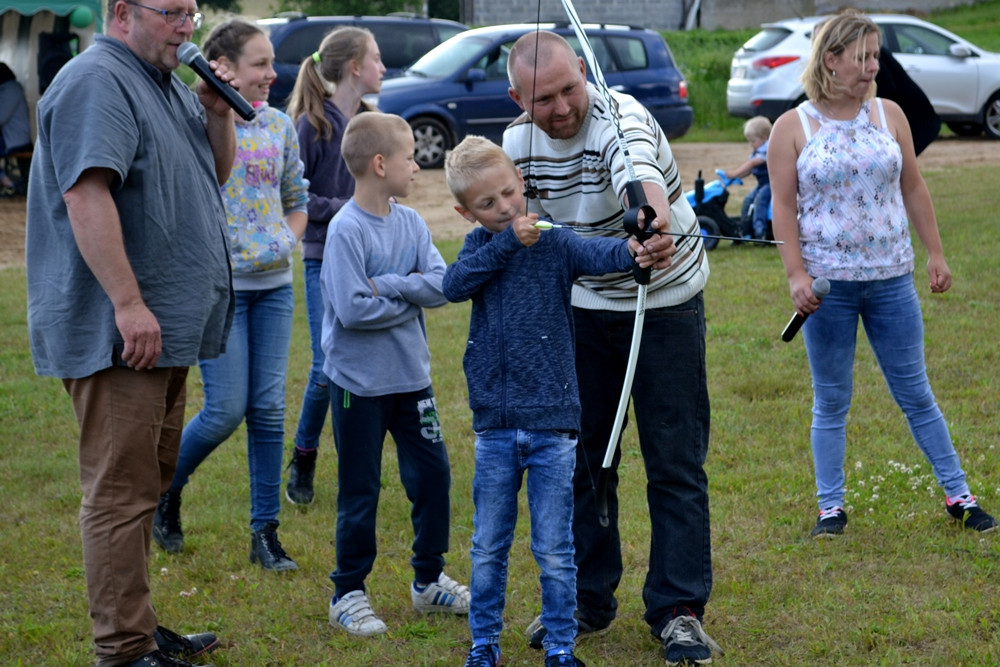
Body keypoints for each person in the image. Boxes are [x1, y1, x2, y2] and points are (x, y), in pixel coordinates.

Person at [24, 0, 237, 664]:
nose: (186, 27)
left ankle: (138, 628)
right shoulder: (98, 79)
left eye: (192, 13)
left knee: (145, 482)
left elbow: (212, 178)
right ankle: (123, 649)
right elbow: (86, 195)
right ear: (122, 12)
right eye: (172, 11)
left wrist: (218, 112)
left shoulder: (165, 83)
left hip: (165, 329)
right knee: (120, 491)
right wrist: (128, 303)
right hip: (121, 333)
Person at [503, 31, 723, 666]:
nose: (563, 107)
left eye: (571, 89)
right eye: (544, 99)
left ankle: (679, 611)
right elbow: (513, 226)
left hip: (665, 303)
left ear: (585, 76)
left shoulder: (623, 120)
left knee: (675, 457)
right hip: (583, 309)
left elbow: (643, 186)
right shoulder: (517, 145)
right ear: (517, 97)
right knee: (583, 462)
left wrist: (649, 227)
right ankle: (584, 602)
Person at [767, 10, 998, 539]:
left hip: (893, 279)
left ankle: (959, 496)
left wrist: (935, 254)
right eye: (862, 57)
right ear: (831, 59)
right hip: (828, 289)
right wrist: (795, 275)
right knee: (831, 398)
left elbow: (913, 187)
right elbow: (782, 207)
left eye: (876, 56)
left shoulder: (889, 114)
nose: (873, 67)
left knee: (916, 393)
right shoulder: (792, 127)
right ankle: (831, 508)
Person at [443, 136, 647, 667]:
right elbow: (454, 284)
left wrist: (634, 247)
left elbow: (597, 253)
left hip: (554, 426)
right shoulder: (479, 249)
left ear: (521, 182)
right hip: (497, 426)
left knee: (554, 549)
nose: (506, 208)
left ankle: (560, 646)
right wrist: (509, 241)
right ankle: (482, 645)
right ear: (466, 211)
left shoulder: (554, 242)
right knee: (488, 546)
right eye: (488, 204)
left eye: (510, 192)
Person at [152, 19, 309, 571]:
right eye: (260, 64)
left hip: (274, 288)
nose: (272, 74)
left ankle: (265, 534)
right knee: (223, 411)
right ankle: (165, 494)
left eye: (271, 64)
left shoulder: (278, 126)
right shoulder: (194, 119)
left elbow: (297, 198)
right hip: (221, 288)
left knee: (268, 411)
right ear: (224, 68)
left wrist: (283, 238)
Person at [322, 111, 469, 636]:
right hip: (358, 388)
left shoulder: (410, 222)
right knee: (360, 489)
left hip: (412, 380)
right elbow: (353, 310)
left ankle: (428, 581)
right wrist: (408, 291)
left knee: (433, 478)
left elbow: (442, 284)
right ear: (380, 164)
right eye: (410, 157)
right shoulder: (345, 230)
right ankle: (348, 593)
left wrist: (390, 285)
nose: (418, 166)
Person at [282, 27, 386, 505]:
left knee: (362, 363)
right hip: (324, 256)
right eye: (377, 59)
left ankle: (356, 467)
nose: (384, 68)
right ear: (354, 68)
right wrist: (343, 208)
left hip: (368, 256)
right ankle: (303, 456)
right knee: (327, 367)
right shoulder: (312, 124)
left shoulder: (370, 123)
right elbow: (295, 195)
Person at [723, 115, 772, 241]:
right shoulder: (757, 151)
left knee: (759, 201)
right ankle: (744, 229)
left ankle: (760, 231)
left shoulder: (767, 150)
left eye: (753, 141)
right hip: (762, 185)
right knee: (747, 200)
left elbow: (751, 164)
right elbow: (749, 170)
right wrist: (735, 178)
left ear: (764, 138)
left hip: (771, 184)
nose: (751, 144)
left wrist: (734, 173)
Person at [0, 62, 32, 195]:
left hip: (15, 141)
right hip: (9, 138)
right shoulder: (8, 88)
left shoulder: (10, 90)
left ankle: (7, 181)